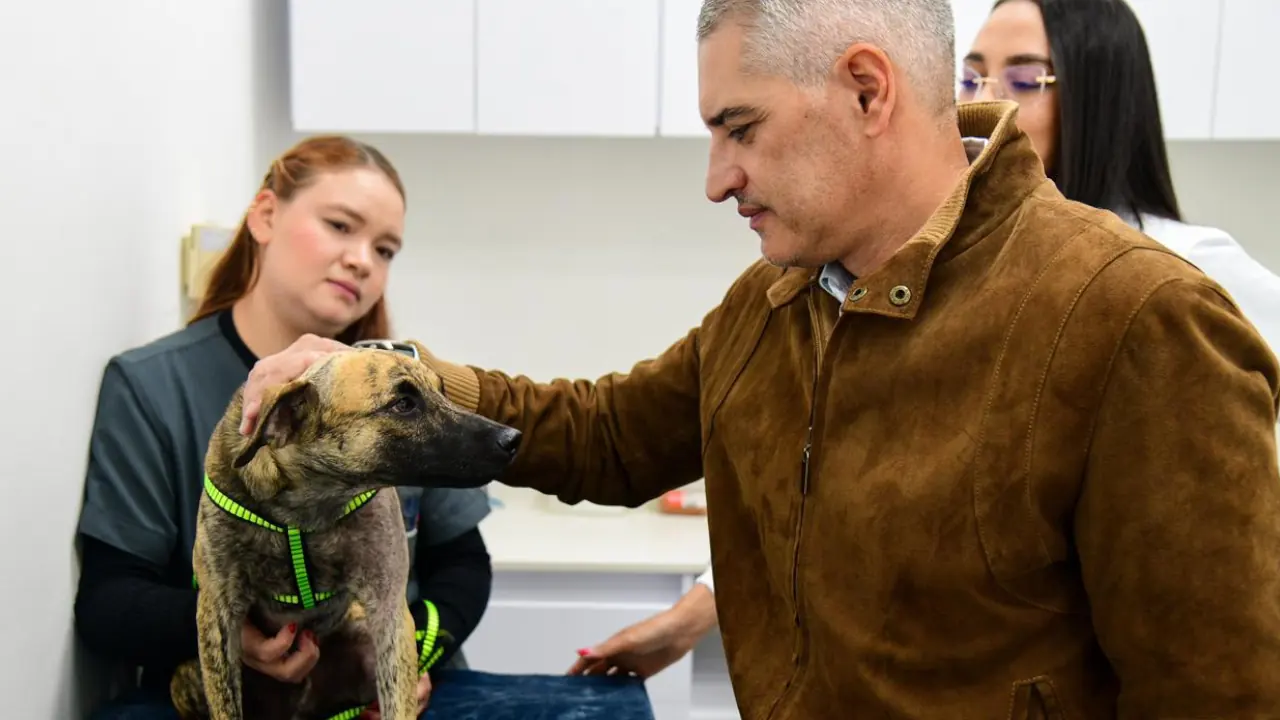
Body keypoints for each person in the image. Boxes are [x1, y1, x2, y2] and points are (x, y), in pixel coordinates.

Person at [237, 0, 1280, 716]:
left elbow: (1216, 695)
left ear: (866, 91)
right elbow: (606, 434)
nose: (715, 177)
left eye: (738, 127)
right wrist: (385, 377)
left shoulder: (1131, 316)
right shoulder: (775, 303)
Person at [577, 0, 1280, 681]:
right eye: (972, 75)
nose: (988, 98)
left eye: (1026, 78)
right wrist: (703, 608)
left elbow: (1209, 634)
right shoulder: (878, 276)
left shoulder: (1168, 289)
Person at [74, 136, 494, 720]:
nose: (363, 260)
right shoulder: (152, 387)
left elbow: (465, 566)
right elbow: (108, 600)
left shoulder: (403, 389)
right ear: (266, 215)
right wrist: (236, 639)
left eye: (386, 249)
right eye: (341, 226)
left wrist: (414, 655)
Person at [960, 0, 1280, 355]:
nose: (981, 102)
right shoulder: (978, 255)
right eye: (970, 79)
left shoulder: (1185, 262)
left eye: (1024, 81)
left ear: (1099, 101)